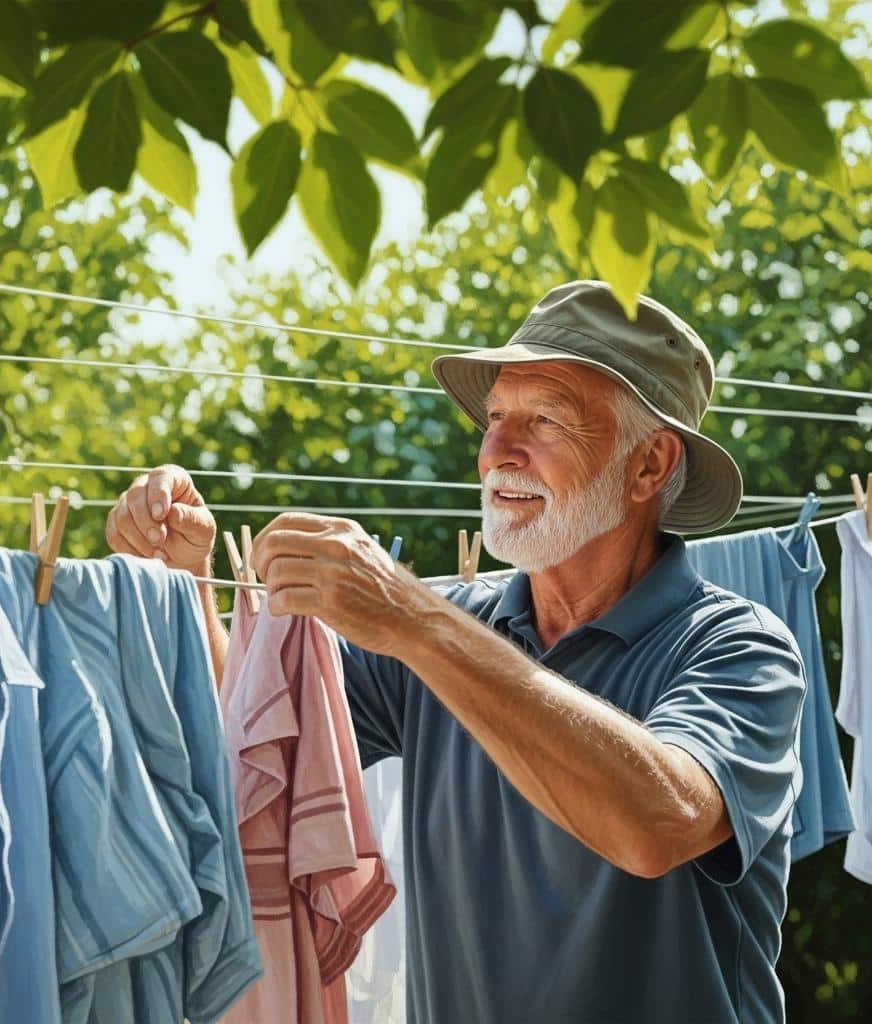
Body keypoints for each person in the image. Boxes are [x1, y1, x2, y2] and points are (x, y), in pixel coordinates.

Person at [106, 280, 805, 1024]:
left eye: (545, 420)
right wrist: (182, 591)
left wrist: (412, 616)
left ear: (649, 465)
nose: (499, 451)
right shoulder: (452, 627)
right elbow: (264, 731)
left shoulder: (738, 646)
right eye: (497, 416)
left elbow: (657, 823)